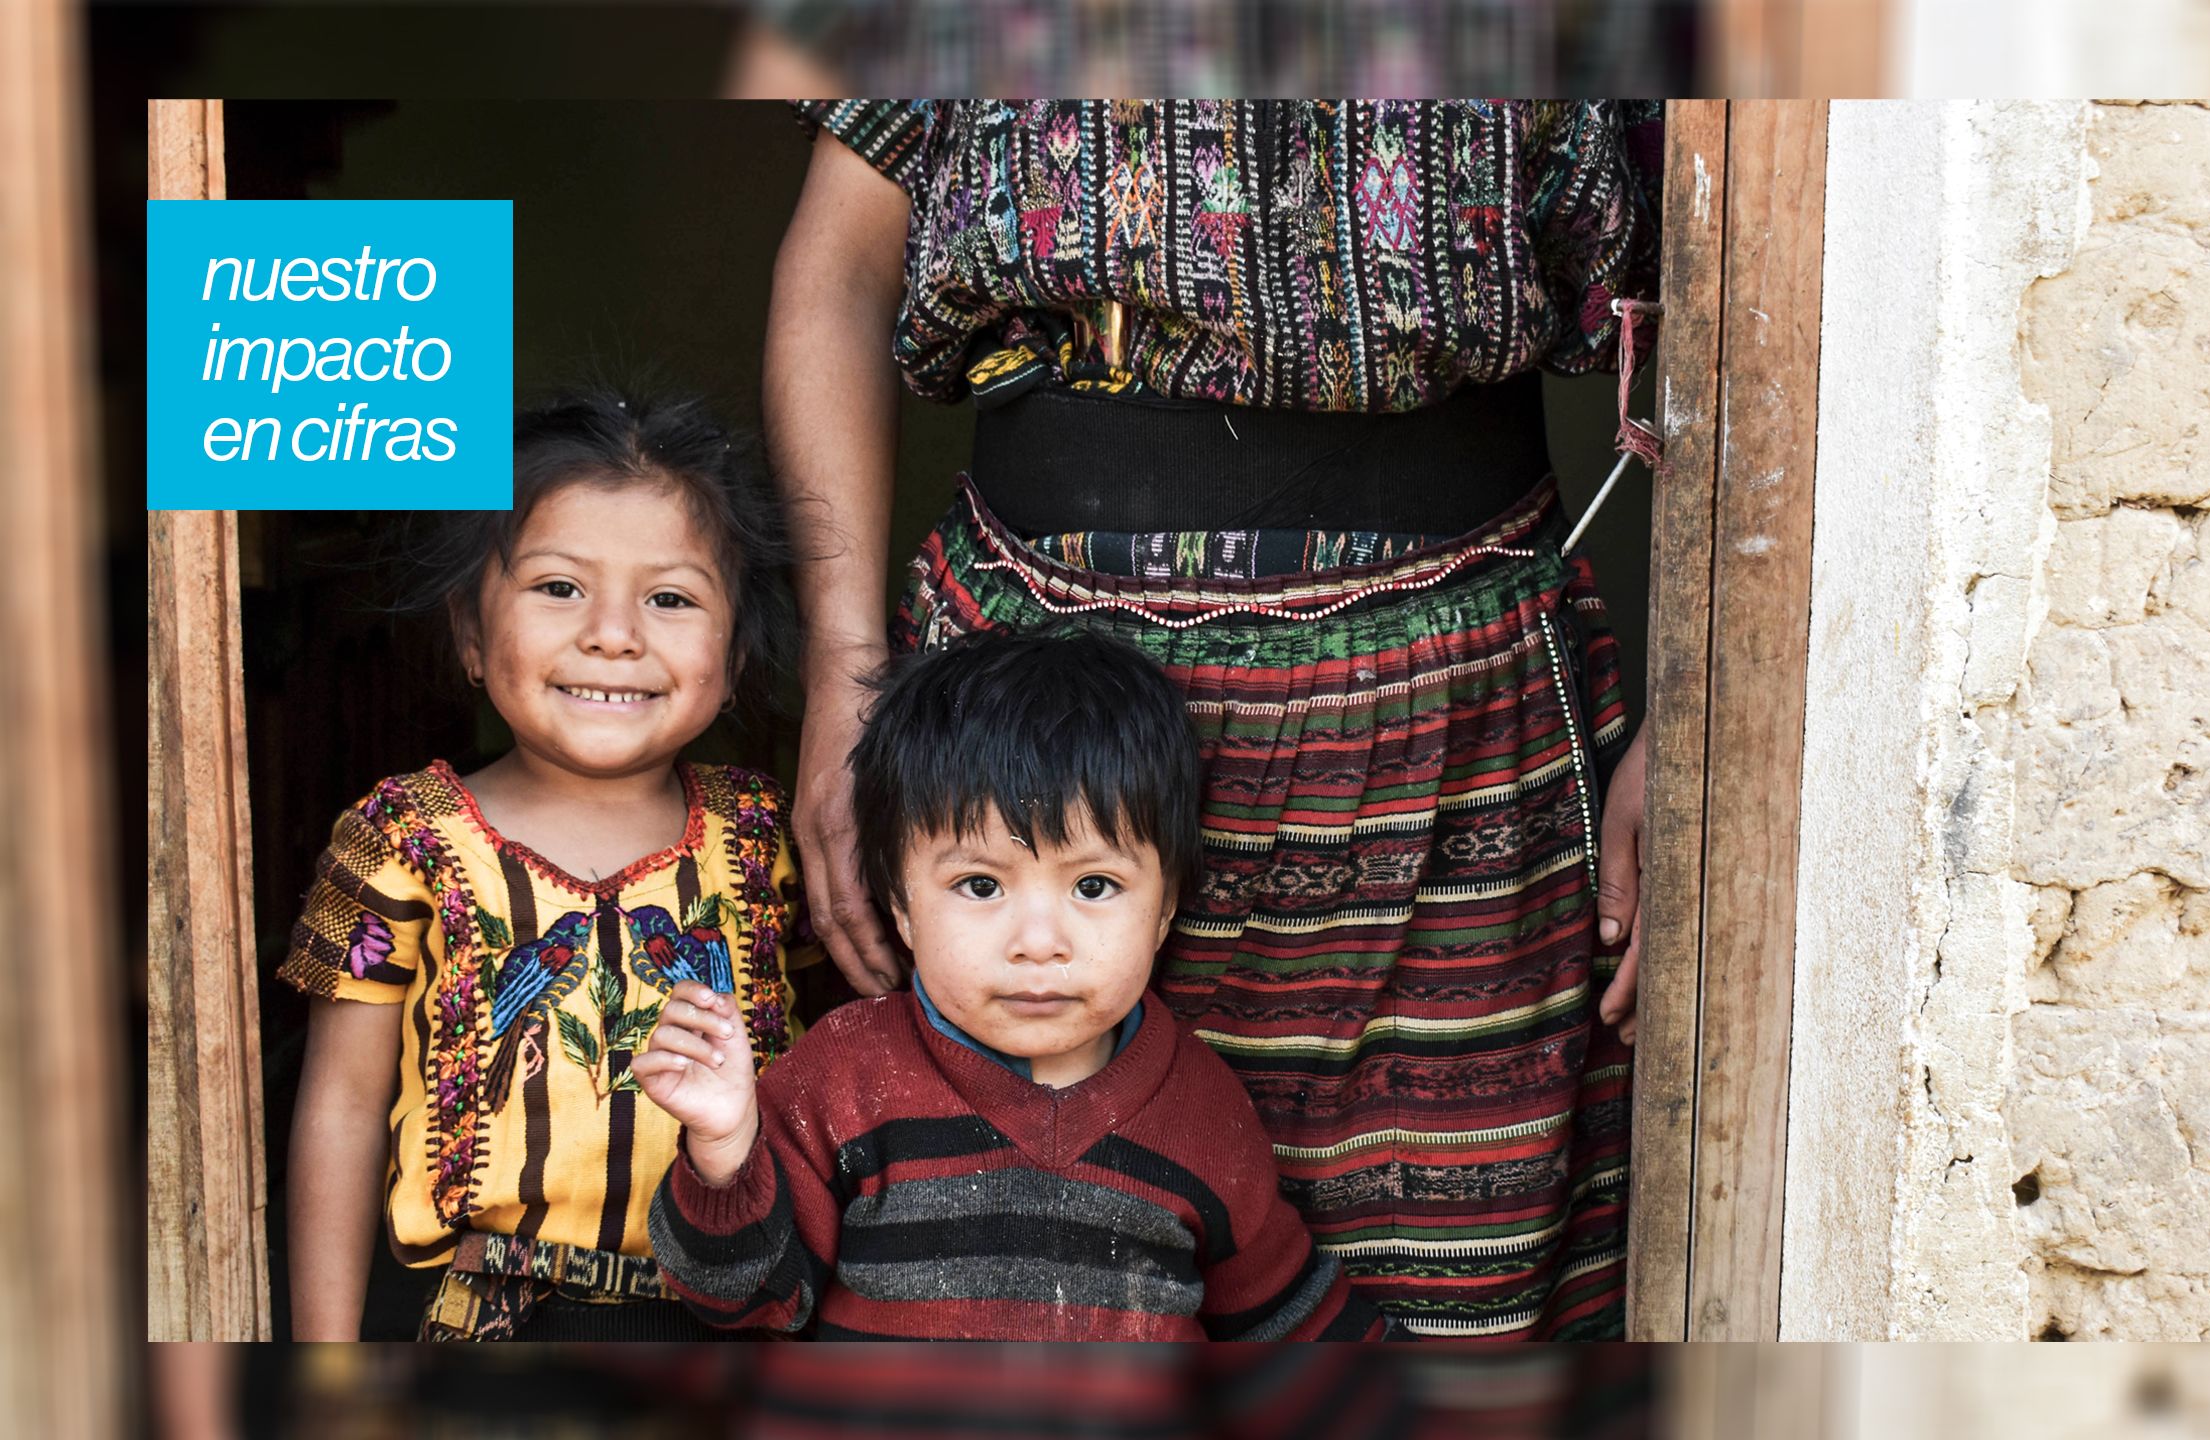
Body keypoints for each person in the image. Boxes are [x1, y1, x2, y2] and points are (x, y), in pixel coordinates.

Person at [765, 100, 1662, 1339]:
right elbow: (844, 259)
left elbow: (1751, 237)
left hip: (1453, 731)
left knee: (1450, 1291)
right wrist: (842, 668)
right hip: (1021, 723)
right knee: (995, 1282)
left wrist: (1699, 718)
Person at [641, 630, 1395, 1340]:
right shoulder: (841, 1081)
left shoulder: (1204, 1113)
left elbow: (1287, 1327)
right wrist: (724, 1150)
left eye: (1095, 886)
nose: (1039, 944)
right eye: (979, 886)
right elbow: (747, 1302)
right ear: (900, 905)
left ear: (1165, 908)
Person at [278, 386, 819, 1340]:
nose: (612, 633)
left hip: (729, 1319)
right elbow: (341, 1112)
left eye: (671, 598)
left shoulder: (769, 843)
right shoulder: (401, 842)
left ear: (735, 656)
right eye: (559, 586)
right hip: (478, 1326)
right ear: (471, 635)